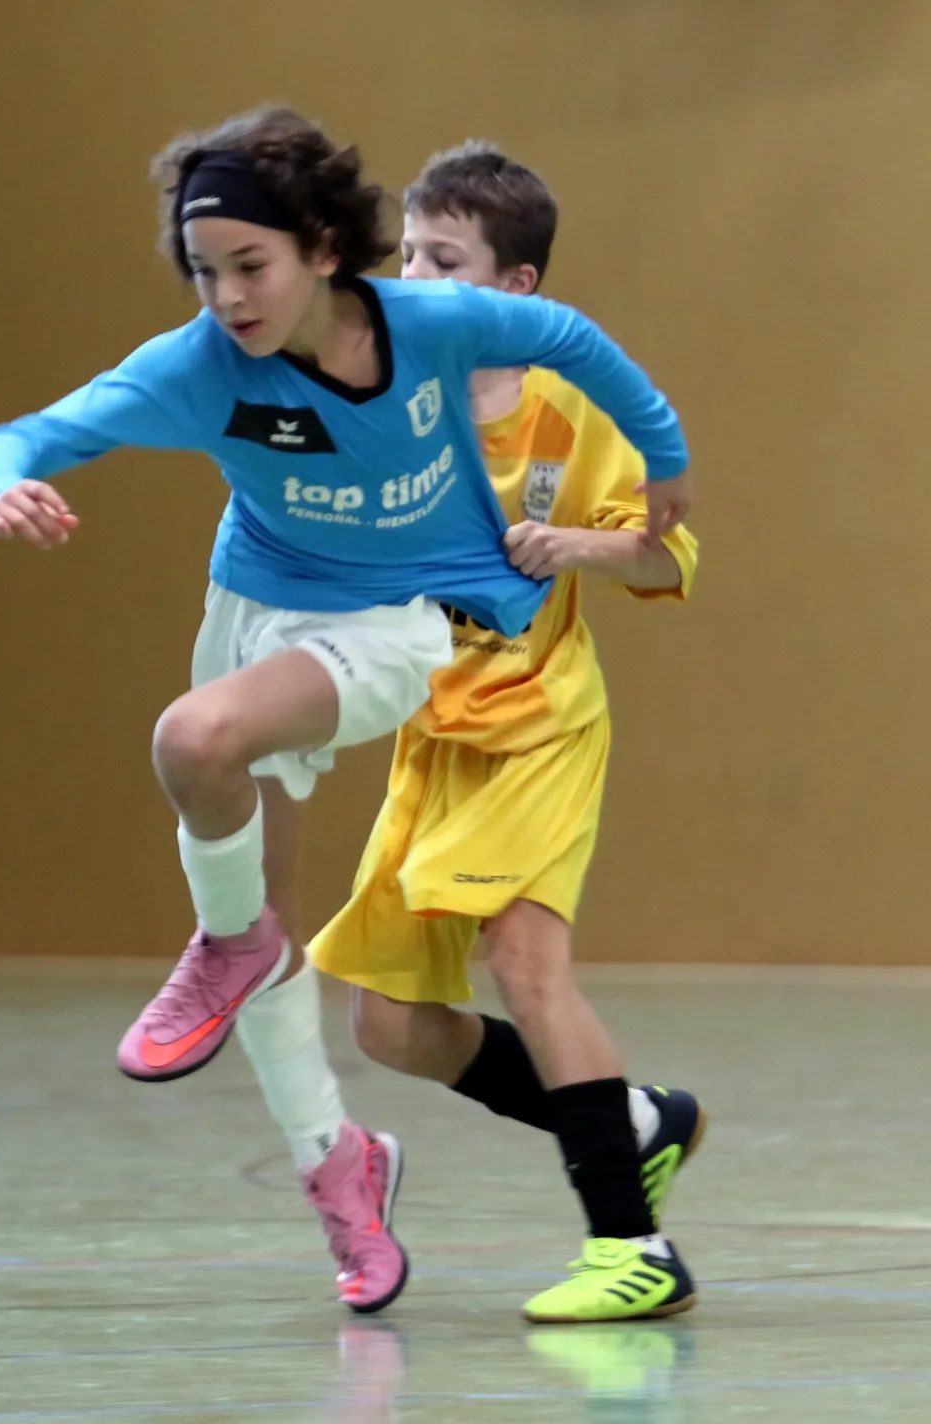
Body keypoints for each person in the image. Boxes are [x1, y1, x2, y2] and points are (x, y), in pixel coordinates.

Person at [0, 106, 690, 1312]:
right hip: (351, 681)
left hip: (461, 677)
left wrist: (639, 486)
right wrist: (0, 490)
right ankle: (415, 1148)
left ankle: (631, 1243)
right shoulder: (214, 366)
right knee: (359, 1002)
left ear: (318, 249)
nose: (225, 296)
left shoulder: (482, 363)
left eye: (248, 266)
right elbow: (30, 433)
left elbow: (594, 387)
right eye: (202, 271)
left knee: (502, 948)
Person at [310, 140, 703, 1322]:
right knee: (388, 1025)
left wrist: (577, 543)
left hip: (538, 726)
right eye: (406, 255)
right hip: (431, 742)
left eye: (445, 259)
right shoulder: (387, 403)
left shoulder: (570, 406)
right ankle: (630, 1119)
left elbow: (666, 553)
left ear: (513, 287)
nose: (414, 278)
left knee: (527, 964)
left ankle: (631, 1246)